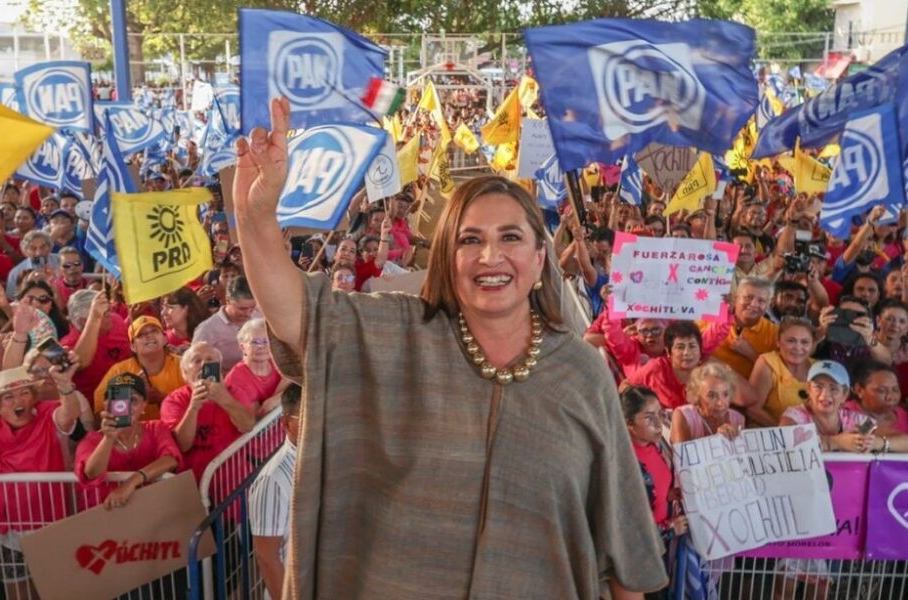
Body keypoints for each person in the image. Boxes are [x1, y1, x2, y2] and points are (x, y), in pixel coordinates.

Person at [234, 98, 665, 599]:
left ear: (539, 257)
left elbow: (621, 547)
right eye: (470, 240)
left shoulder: (580, 373)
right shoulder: (395, 335)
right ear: (446, 256)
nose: (490, 256)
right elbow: (297, 314)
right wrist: (255, 217)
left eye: (510, 237)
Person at [0, 362, 81, 598]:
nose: (18, 401)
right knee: (17, 591)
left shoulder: (48, 415)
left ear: (34, 397)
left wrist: (65, 386)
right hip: (9, 535)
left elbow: (69, 415)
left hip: (50, 529)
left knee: (54, 590)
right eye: (8, 397)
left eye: (25, 393)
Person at [75, 373, 182, 509]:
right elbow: (91, 474)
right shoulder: (91, 440)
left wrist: (131, 482)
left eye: (133, 400)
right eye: (118, 400)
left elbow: (171, 460)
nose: (126, 406)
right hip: (107, 513)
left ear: (144, 405)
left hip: (152, 510)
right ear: (106, 404)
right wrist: (108, 438)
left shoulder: (156, 428)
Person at [620, 385, 686, 599]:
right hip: (639, 558)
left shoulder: (657, 446)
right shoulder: (624, 464)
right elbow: (626, 529)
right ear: (628, 423)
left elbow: (654, 490)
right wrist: (669, 528)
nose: (659, 424)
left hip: (660, 551)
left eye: (660, 414)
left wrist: (669, 495)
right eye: (649, 418)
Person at [159, 341, 257, 482]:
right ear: (185, 373)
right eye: (197, 361)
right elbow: (182, 446)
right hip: (192, 483)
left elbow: (248, 425)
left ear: (220, 369)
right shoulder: (174, 401)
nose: (204, 364)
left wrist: (224, 399)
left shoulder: (235, 392)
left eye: (210, 360)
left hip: (235, 479)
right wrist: (193, 408)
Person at [779, 361, 908, 453]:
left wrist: (877, 443)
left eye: (833, 389)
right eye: (818, 387)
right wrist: (836, 442)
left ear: (845, 394)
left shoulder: (856, 421)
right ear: (809, 389)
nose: (824, 395)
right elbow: (783, 446)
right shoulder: (794, 415)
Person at [248, 385, 301, 600]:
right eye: (307, 418)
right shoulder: (273, 480)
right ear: (286, 423)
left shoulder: (324, 463)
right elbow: (267, 558)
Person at [93, 316, 186, 421]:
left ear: (165, 339)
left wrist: (159, 398)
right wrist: (130, 399)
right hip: (134, 430)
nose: (149, 336)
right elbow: (98, 417)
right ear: (133, 346)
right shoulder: (119, 372)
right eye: (141, 335)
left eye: (154, 331)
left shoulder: (184, 365)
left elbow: (196, 407)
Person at [61, 290, 131, 399]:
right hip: (96, 403)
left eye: (109, 309)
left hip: (129, 391)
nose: (110, 315)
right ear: (83, 321)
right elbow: (81, 362)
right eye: (103, 313)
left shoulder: (116, 320)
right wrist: (95, 318)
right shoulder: (68, 344)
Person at [747, 316, 815, 426]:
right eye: (791, 341)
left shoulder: (819, 368)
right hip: (770, 431)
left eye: (805, 342)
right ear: (778, 342)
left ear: (812, 346)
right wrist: (785, 431)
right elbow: (752, 409)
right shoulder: (767, 363)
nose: (798, 347)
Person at [192, 276, 260, 372]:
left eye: (252, 308)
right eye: (242, 309)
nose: (249, 314)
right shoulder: (207, 330)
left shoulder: (261, 316)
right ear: (228, 300)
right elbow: (196, 365)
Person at [670, 362, 744, 444]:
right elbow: (681, 451)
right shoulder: (683, 415)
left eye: (725, 394)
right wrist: (716, 440)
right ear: (697, 395)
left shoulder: (737, 419)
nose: (720, 403)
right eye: (712, 396)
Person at [225, 318, 285, 417]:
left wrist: (274, 400)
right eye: (255, 342)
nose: (261, 346)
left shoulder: (277, 362)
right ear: (242, 347)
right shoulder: (236, 379)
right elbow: (253, 420)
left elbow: (298, 382)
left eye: (266, 341)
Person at [847, 361, 908, 435]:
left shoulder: (904, 416)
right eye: (881, 391)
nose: (890, 397)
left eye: (895, 390)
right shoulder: (845, 415)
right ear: (859, 390)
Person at [5, 230, 59, 298]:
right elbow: (11, 298)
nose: (38, 253)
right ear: (25, 252)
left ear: (50, 247)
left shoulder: (61, 261)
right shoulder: (16, 273)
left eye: (43, 247)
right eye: (33, 249)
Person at [159, 287, 210, 351]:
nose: (163, 313)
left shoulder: (208, 334)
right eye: (162, 308)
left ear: (186, 308)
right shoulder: (162, 341)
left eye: (170, 307)